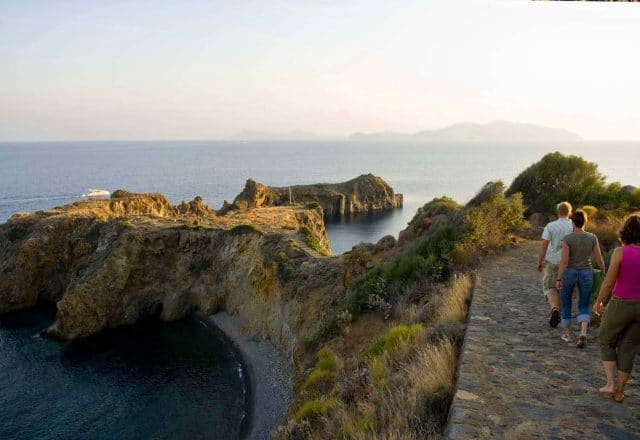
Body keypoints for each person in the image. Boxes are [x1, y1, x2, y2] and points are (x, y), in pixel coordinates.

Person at [593, 214, 640, 403]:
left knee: (605, 339)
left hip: (621, 303)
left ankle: (611, 384)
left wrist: (599, 301)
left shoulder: (621, 252)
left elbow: (609, 282)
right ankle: (619, 392)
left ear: (625, 232)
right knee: (628, 347)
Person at [556, 209, 606, 348]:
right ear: (585, 221)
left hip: (570, 273)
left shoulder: (568, 238)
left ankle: (567, 333)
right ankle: (583, 332)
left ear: (572, 222)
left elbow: (564, 262)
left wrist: (559, 279)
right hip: (586, 272)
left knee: (566, 303)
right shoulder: (592, 237)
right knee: (584, 304)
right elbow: (599, 258)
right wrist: (603, 272)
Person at [537, 202, 574, 327]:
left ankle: (555, 309)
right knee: (564, 288)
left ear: (558, 212)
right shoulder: (574, 226)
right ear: (570, 213)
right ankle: (561, 312)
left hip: (553, 262)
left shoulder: (551, 226)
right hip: (569, 262)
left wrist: (540, 261)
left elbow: (544, 245)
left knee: (549, 287)